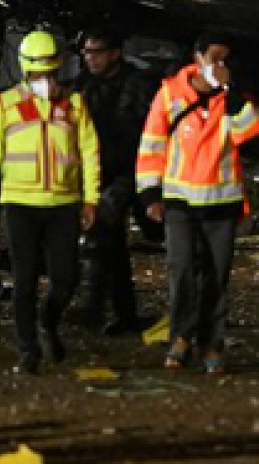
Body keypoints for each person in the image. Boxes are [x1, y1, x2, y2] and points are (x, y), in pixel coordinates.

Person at [136, 30, 259, 374]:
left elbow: (249, 133)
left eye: (226, 59)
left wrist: (232, 93)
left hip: (222, 202)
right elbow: (151, 145)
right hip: (179, 201)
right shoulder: (170, 95)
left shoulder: (232, 99)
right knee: (181, 272)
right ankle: (181, 337)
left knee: (215, 278)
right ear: (197, 58)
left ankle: (211, 345)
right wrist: (150, 194)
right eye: (215, 58)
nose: (220, 65)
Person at [0, 30, 99, 374]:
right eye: (38, 72)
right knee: (25, 281)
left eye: (49, 71)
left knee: (66, 279)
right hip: (20, 204)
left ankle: (48, 323)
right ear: (27, 70)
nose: (44, 79)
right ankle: (28, 351)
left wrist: (91, 200)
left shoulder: (74, 105)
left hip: (63, 203)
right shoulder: (4, 106)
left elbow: (90, 153)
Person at [73, 26, 158, 336]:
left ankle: (99, 310)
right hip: (101, 171)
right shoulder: (85, 86)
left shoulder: (138, 85)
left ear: (115, 53)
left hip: (132, 171)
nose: (90, 59)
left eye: (96, 53)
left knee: (107, 234)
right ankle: (114, 311)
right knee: (106, 241)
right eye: (86, 53)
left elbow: (150, 131)